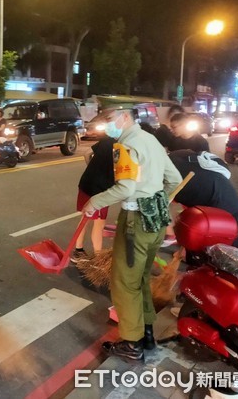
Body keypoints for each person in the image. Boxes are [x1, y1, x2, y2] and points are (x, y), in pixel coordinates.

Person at [82, 103, 182, 361]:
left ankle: (131, 343)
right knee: (140, 279)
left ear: (126, 117)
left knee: (125, 282)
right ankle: (146, 334)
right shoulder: (151, 140)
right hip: (156, 221)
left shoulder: (125, 146)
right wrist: (155, 198)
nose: (108, 125)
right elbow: (174, 179)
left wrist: (95, 201)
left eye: (110, 119)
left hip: (135, 222)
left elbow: (125, 189)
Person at [169, 149, 238, 228]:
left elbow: (162, 216)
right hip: (224, 195)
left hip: (224, 217)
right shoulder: (176, 156)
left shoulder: (172, 181)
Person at [72, 136, 116, 261]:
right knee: (99, 223)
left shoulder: (107, 140)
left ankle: (78, 250)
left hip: (86, 182)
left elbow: (87, 154)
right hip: (100, 190)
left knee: (84, 219)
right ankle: (98, 257)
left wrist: (93, 169)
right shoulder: (122, 147)